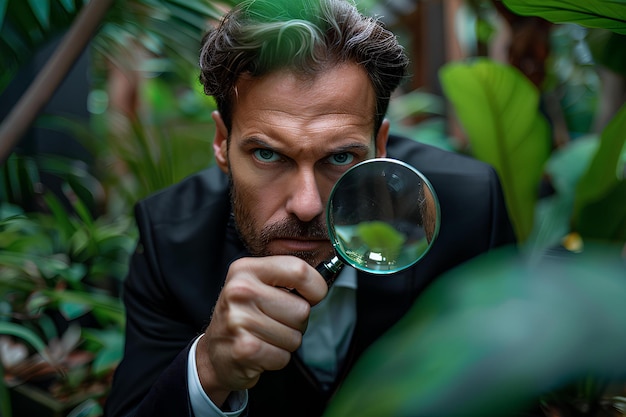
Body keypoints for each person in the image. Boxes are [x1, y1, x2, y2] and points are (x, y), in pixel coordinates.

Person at [104, 0, 516, 416]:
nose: (306, 206)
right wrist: (209, 366)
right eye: (267, 154)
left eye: (339, 158)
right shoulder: (170, 238)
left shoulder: (469, 210)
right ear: (220, 143)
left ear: (381, 146)